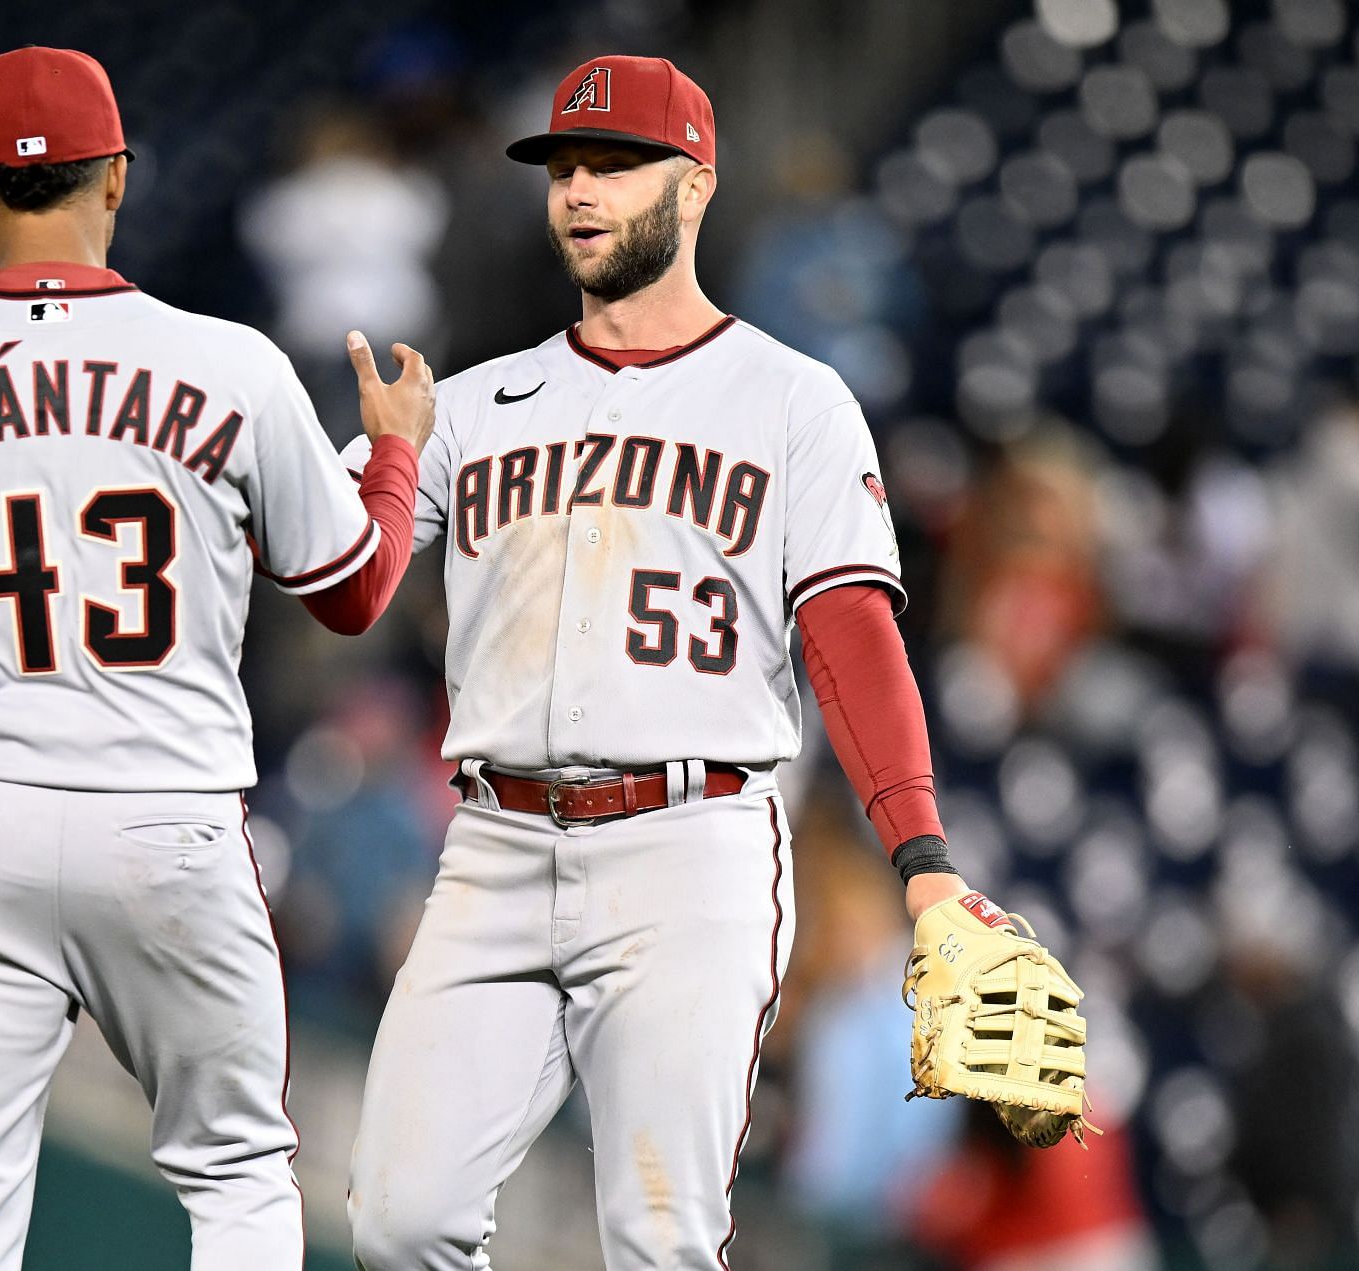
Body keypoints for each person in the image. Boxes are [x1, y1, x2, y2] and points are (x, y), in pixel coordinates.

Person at [0, 47, 434, 1271]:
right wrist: (390, 456)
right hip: (168, 820)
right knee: (237, 1174)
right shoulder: (234, 364)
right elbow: (355, 590)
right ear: (117, 178)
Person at [342, 55, 996, 1269]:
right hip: (495, 844)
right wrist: (388, 459)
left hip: (688, 846)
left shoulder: (794, 401)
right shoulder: (475, 406)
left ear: (694, 187)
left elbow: (850, 635)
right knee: (400, 1218)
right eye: (564, 168)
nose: (580, 191)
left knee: (657, 1238)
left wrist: (921, 859)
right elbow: (346, 587)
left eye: (615, 166)